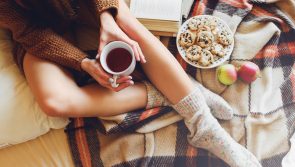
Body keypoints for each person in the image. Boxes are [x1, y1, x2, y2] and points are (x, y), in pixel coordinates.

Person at [0, 0, 261, 166]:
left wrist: (107, 20)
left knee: (125, 21)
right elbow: (31, 33)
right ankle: (171, 93)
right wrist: (83, 62)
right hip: (38, 33)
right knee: (54, 102)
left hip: (89, 4)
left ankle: (204, 127)